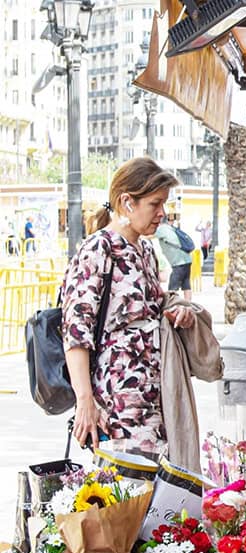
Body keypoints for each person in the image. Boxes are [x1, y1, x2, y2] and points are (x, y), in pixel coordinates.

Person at [63, 157, 197, 455]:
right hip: (118, 400)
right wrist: (84, 399)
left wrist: (178, 313)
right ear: (127, 202)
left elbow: (152, 308)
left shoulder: (146, 249)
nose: (162, 213)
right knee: (128, 491)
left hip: (154, 393)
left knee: (158, 490)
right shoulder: (99, 248)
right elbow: (75, 331)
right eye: (155, 204)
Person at [155, 214, 194, 301]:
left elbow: (147, 235)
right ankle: (188, 303)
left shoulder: (160, 229)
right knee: (186, 283)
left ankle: (172, 304)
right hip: (187, 259)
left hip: (178, 262)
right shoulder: (170, 228)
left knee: (173, 287)